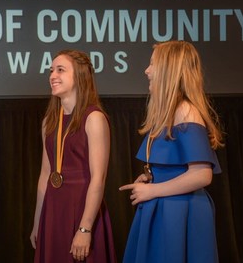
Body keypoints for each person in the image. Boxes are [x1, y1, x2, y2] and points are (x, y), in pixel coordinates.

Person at [119, 40, 224, 263]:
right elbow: (176, 166)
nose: (146, 71)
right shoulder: (171, 112)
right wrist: (152, 177)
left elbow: (201, 175)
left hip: (180, 212)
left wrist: (153, 190)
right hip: (167, 208)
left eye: (152, 65)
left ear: (169, 70)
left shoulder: (186, 111)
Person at [30, 50, 117, 263]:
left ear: (79, 76)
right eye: (51, 70)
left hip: (82, 209)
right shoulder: (49, 121)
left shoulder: (94, 118)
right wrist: (38, 222)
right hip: (53, 211)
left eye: (60, 70)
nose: (52, 76)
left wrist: (85, 228)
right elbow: (45, 175)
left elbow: (99, 178)